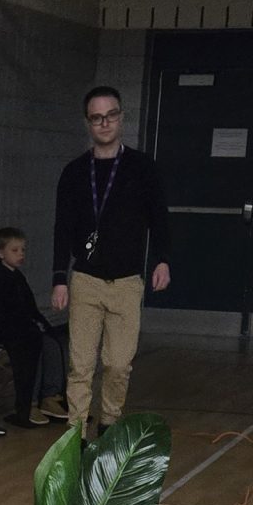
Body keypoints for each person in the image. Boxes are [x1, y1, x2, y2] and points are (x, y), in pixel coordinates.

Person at [51, 85, 170, 436]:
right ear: (88, 123)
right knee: (81, 365)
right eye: (96, 118)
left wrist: (162, 260)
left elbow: (160, 218)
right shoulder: (74, 172)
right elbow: (62, 227)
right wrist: (60, 277)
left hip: (127, 281)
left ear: (121, 117)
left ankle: (108, 425)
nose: (104, 123)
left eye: (111, 115)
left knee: (118, 364)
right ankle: (75, 434)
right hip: (86, 279)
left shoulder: (142, 167)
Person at [0, 227, 66, 427]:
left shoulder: (17, 276)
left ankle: (50, 396)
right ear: (1, 253)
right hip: (4, 330)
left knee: (51, 342)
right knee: (31, 344)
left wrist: (41, 324)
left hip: (21, 328)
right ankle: (29, 402)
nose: (21, 255)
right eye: (15, 250)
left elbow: (30, 308)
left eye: (23, 250)